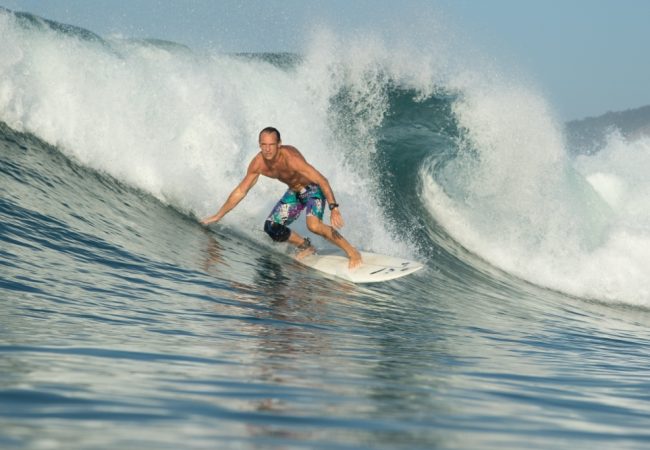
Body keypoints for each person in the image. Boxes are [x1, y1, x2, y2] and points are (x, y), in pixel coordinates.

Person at [201, 127, 362, 269]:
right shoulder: (258, 164)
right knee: (271, 227)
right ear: (259, 145)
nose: (267, 149)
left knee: (313, 225)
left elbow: (322, 180)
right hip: (294, 192)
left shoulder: (291, 159)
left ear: (279, 144)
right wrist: (219, 215)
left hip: (313, 189)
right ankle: (306, 246)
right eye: (263, 145)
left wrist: (334, 208)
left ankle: (351, 251)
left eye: (271, 145)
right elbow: (241, 191)